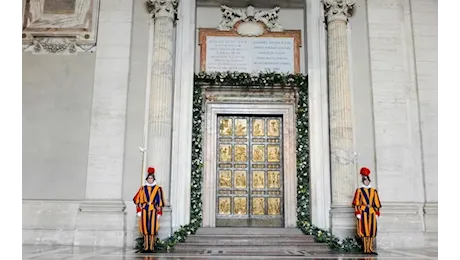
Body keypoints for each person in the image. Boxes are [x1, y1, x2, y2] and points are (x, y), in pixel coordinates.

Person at [133, 167, 165, 253]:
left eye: (151, 178)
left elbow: (160, 201)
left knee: (152, 228)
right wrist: (139, 210)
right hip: (145, 209)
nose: (150, 180)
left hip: (154, 209)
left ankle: (152, 246)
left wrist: (159, 212)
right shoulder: (143, 189)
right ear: (147, 179)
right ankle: (146, 246)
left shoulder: (158, 189)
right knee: (145, 228)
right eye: (149, 178)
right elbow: (137, 199)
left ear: (153, 179)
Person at [352, 167, 382, 255]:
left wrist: (377, 212)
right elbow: (356, 202)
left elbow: (377, 202)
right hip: (363, 212)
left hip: (372, 212)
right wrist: (357, 212)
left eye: (367, 180)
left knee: (371, 231)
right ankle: (365, 249)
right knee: (365, 231)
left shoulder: (374, 191)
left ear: (369, 180)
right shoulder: (359, 191)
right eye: (364, 180)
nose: (366, 181)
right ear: (362, 181)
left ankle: (370, 248)